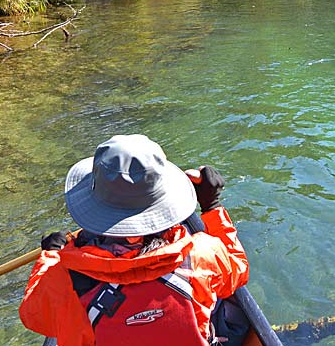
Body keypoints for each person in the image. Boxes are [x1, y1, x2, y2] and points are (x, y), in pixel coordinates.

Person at [19, 134, 249, 346]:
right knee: (233, 312)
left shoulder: (62, 276)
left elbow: (35, 318)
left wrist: (50, 256)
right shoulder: (202, 253)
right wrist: (212, 206)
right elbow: (238, 271)